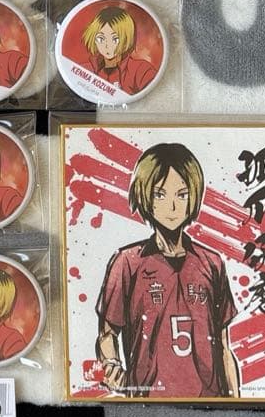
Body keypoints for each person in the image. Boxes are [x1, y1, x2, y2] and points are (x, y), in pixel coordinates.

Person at [95, 143, 241, 399]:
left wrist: (238, 403)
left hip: (210, 400)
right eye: (160, 195)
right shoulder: (127, 262)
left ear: (193, 197)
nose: (172, 206)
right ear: (145, 196)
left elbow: (224, 347)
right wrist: (111, 365)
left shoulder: (212, 263)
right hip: (150, 401)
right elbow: (107, 334)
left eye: (182, 195)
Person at [79, 5, 157, 96]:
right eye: (101, 39)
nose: (107, 45)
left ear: (126, 40)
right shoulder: (85, 69)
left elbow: (154, 95)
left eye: (115, 39)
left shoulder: (142, 70)